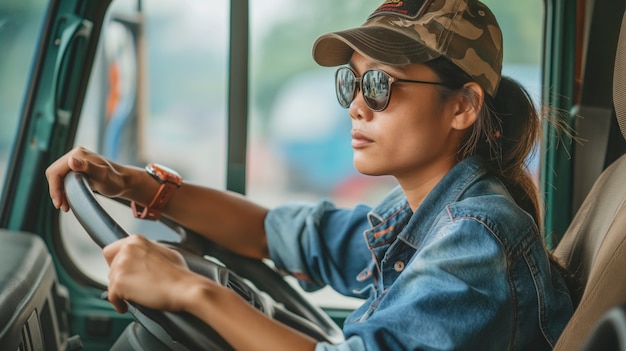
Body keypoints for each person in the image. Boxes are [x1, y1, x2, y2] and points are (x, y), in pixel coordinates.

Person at [46, 0, 574, 350]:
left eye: (381, 87)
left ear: (463, 106)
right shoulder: (415, 213)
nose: (356, 108)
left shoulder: (476, 240)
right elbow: (279, 232)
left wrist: (193, 293)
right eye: (353, 83)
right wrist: (137, 184)